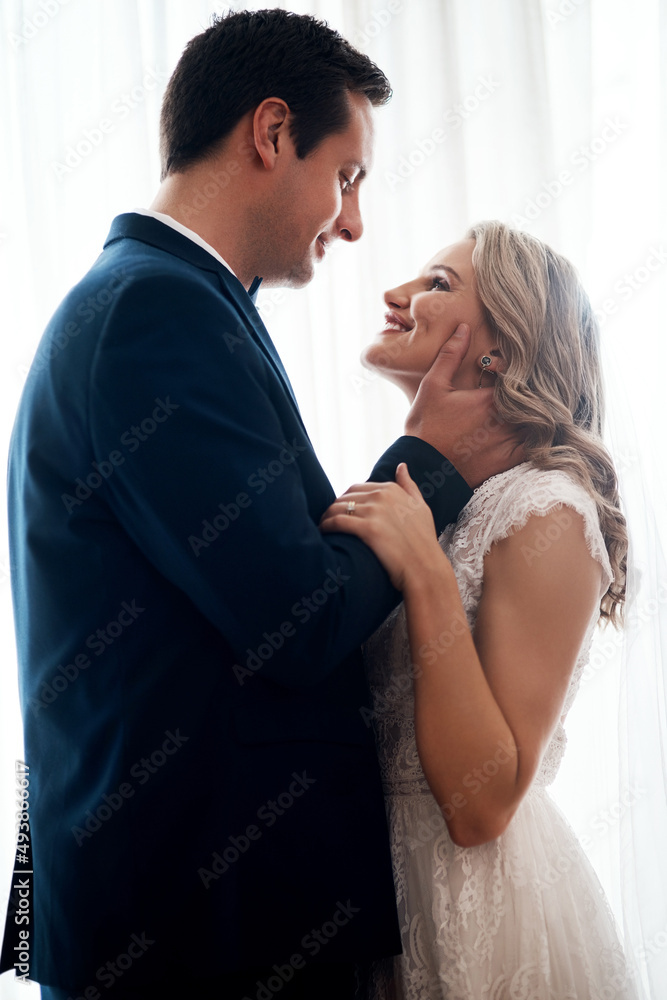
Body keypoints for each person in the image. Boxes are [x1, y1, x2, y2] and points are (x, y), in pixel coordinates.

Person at [0, 12, 519, 1000]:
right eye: (348, 175)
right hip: (200, 937)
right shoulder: (157, 313)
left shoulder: (170, 301)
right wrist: (434, 459)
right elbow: (299, 619)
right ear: (272, 132)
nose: (354, 221)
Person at [321, 222, 643, 999]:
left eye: (434, 284)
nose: (395, 298)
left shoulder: (548, 511)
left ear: (499, 350)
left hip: (474, 910)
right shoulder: (436, 500)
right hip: (373, 897)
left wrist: (427, 575)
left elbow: (482, 805)